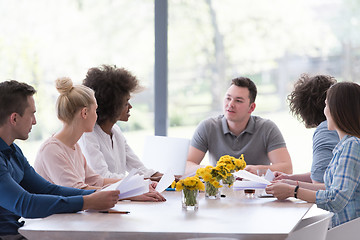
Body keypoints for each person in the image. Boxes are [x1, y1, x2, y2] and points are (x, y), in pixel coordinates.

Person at [0, 80, 120, 238]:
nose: (35, 121)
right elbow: (25, 204)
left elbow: (48, 189)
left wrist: (100, 195)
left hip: (19, 232)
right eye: (32, 114)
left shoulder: (14, 151)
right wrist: (88, 201)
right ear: (14, 119)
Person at [34, 77, 165, 202]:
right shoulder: (51, 150)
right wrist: (131, 193)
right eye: (95, 110)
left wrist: (140, 184)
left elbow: (96, 181)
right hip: (51, 222)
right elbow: (78, 190)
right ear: (84, 113)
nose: (97, 116)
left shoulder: (73, 146)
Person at [266, 82, 360, 228]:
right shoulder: (346, 145)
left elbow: (336, 199)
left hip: (344, 231)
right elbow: (331, 189)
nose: (324, 111)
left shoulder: (351, 146)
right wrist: (292, 183)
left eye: (326, 105)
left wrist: (293, 191)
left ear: (338, 109)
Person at [185, 77, 293, 175]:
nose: (230, 104)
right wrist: (211, 170)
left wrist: (257, 170)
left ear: (251, 108)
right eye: (228, 98)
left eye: (238, 101)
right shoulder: (208, 127)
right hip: (219, 193)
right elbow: (186, 165)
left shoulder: (267, 128)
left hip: (255, 194)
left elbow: (287, 168)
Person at [79, 65, 164, 181]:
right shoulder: (88, 135)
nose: (130, 106)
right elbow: (102, 177)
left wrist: (169, 178)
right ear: (112, 106)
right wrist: (147, 180)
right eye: (126, 102)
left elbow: (139, 169)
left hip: (119, 196)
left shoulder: (116, 131)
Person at [274, 74, 339, 183]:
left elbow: (322, 185)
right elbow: (324, 175)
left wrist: (292, 188)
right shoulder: (343, 127)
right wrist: (289, 178)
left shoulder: (325, 131)